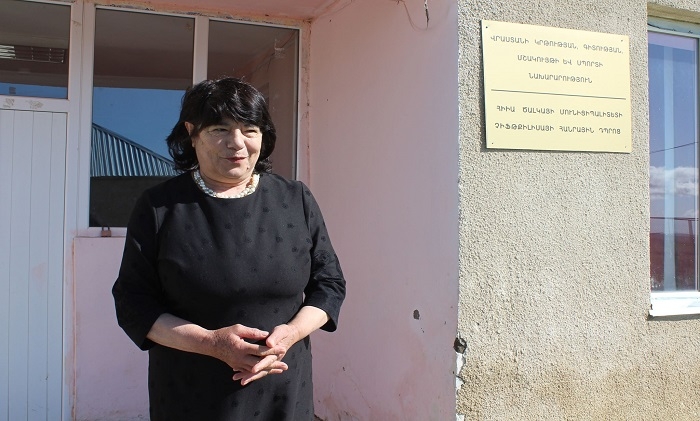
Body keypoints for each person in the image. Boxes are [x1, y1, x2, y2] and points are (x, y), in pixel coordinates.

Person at [112, 77, 346, 421]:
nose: (236, 143)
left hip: (283, 396)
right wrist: (210, 343)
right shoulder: (159, 207)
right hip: (189, 397)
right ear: (192, 133)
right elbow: (133, 303)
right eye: (219, 129)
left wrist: (291, 334)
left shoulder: (295, 199)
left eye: (249, 130)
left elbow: (329, 285)